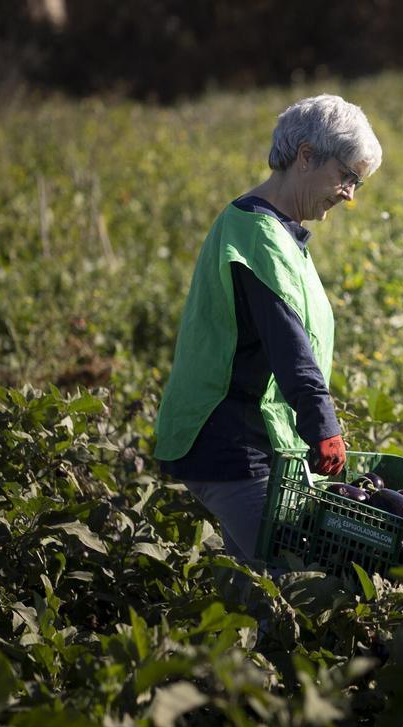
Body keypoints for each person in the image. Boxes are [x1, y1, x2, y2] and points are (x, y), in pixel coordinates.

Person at [153, 94, 382, 561]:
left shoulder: (276, 232)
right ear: (306, 156)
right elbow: (288, 343)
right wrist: (323, 427)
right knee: (293, 583)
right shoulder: (257, 236)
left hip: (251, 440)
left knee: (250, 592)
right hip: (232, 444)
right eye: (347, 176)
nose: (350, 194)